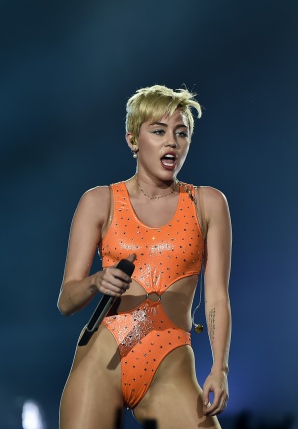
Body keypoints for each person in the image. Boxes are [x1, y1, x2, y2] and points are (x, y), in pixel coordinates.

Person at [57, 85, 232, 429]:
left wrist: (219, 369)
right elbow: (66, 301)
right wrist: (95, 281)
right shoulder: (99, 201)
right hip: (102, 362)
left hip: (171, 367)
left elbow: (216, 298)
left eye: (181, 133)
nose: (172, 142)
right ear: (133, 140)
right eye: (158, 131)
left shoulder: (208, 204)